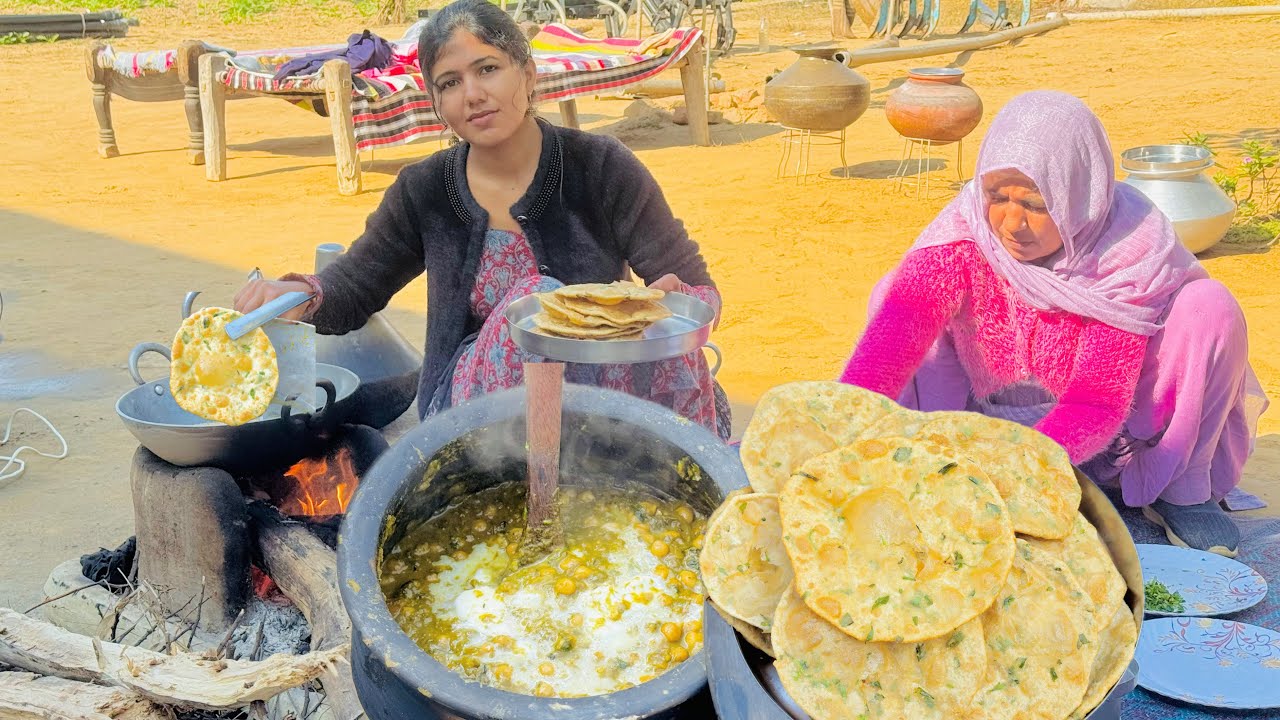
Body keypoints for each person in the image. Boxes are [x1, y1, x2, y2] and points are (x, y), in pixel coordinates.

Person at [233, 0, 726, 437]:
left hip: (602, 386)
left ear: (527, 75)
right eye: (450, 82)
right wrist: (302, 293)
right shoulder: (424, 189)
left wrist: (674, 304)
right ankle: (533, 485)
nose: (472, 93)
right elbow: (357, 284)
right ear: (436, 103)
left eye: (488, 69)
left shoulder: (601, 167)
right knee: (534, 307)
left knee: (669, 345)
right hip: (476, 410)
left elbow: (698, 289)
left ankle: (686, 481)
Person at [838, 91, 1268, 557]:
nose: (1011, 223)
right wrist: (836, 437)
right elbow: (883, 358)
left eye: (1036, 205)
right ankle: (924, 471)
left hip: (1110, 433)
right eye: (997, 197)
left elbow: (1097, 401)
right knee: (893, 293)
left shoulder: (1123, 249)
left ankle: (1179, 489)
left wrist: (1020, 471)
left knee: (1209, 306)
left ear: (1077, 196)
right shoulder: (965, 234)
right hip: (984, 430)